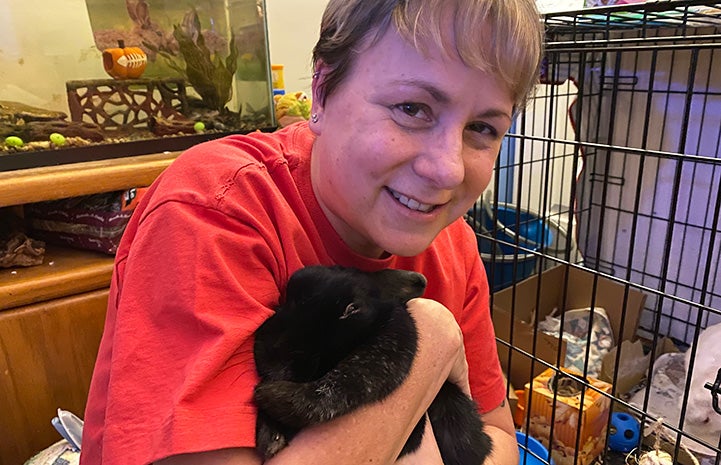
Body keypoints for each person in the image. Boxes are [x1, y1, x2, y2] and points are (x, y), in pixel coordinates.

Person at [79, 0, 544, 463]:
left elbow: (498, 440)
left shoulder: (451, 242)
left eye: (482, 127)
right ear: (321, 92)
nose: (446, 169)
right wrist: (429, 344)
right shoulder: (215, 208)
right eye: (411, 107)